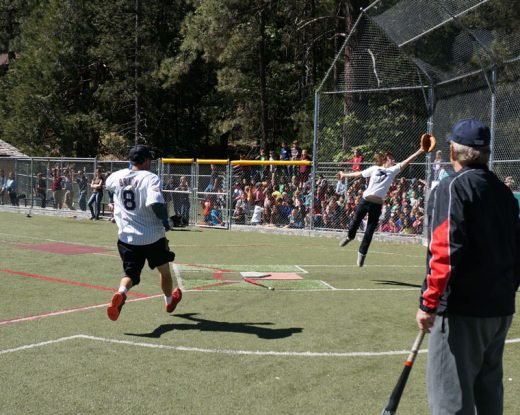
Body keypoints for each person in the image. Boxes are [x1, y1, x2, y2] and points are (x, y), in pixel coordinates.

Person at [415, 119, 520, 415]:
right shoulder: (503, 192)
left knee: (451, 400)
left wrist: (428, 301)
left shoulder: (453, 187)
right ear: (485, 152)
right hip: (500, 309)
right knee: (489, 396)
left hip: (462, 312)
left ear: (452, 151)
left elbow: (446, 249)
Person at [105, 144, 182, 321]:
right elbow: (155, 203)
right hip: (152, 236)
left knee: (130, 274)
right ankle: (169, 301)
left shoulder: (116, 176)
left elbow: (108, 186)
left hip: (126, 238)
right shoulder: (150, 178)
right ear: (146, 160)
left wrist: (113, 202)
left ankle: (121, 293)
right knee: (164, 270)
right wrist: (166, 222)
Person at [338, 146, 425, 266]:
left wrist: (420, 150)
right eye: (391, 159)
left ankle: (361, 254)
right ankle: (349, 237)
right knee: (355, 221)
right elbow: (359, 173)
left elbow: (408, 160)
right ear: (385, 160)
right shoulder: (374, 168)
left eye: (393, 159)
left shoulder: (393, 170)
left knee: (369, 231)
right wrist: (344, 175)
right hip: (365, 200)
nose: (393, 161)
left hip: (377, 204)